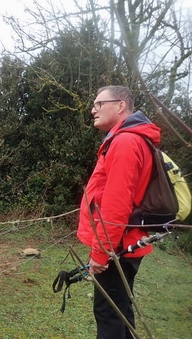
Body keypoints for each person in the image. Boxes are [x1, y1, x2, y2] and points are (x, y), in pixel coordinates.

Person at [77, 85, 161, 339]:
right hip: (125, 243)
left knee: (109, 315)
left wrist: (101, 253)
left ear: (121, 105)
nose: (93, 110)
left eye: (99, 104)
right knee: (122, 311)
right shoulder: (132, 138)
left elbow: (116, 205)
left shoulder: (125, 141)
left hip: (117, 247)